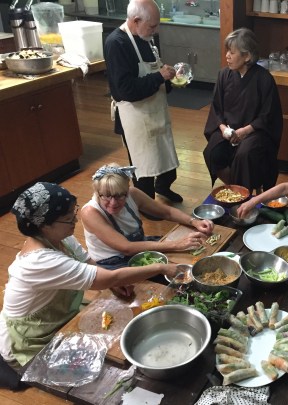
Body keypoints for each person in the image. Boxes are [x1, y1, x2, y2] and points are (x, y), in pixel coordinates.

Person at [0, 182, 181, 367]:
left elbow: (89, 262)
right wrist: (160, 268)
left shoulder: (59, 238)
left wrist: (112, 284)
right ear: (44, 226)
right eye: (68, 218)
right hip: (31, 340)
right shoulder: (39, 261)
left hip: (59, 318)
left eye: (74, 213)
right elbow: (109, 278)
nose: (75, 221)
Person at [104, 0, 182, 203]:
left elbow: (156, 70)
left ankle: (163, 187)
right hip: (135, 115)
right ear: (136, 20)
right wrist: (159, 77)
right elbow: (126, 89)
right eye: (152, 26)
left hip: (156, 109)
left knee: (165, 155)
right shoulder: (117, 43)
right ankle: (146, 203)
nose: (155, 30)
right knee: (144, 165)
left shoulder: (146, 37)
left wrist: (171, 78)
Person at [80, 164, 214, 269]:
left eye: (120, 195)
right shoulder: (90, 213)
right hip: (113, 260)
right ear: (97, 192)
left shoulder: (132, 194)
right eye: (106, 196)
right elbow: (126, 248)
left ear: (127, 190)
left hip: (138, 246)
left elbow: (166, 212)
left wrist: (193, 221)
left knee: (193, 255)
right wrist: (176, 244)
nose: (113, 203)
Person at [203, 27, 283, 193]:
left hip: (255, 131)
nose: (227, 56)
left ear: (247, 56)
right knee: (212, 152)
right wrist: (224, 129)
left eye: (232, 52)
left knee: (244, 154)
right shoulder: (224, 75)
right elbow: (216, 108)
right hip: (228, 130)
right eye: (227, 51)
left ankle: (243, 196)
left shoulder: (264, 79)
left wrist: (244, 132)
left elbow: (268, 115)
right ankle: (238, 189)